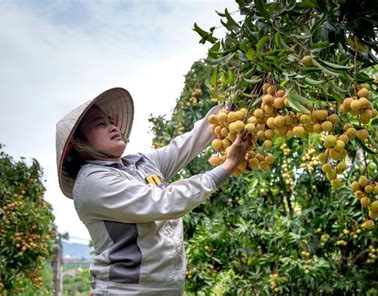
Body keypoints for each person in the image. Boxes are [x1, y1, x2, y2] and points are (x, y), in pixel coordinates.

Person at [55, 87, 251, 295]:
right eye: (100, 124)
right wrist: (227, 166)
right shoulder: (93, 183)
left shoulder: (141, 164)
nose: (113, 127)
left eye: (110, 121)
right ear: (79, 144)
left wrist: (233, 104)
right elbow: (165, 203)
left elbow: (188, 143)